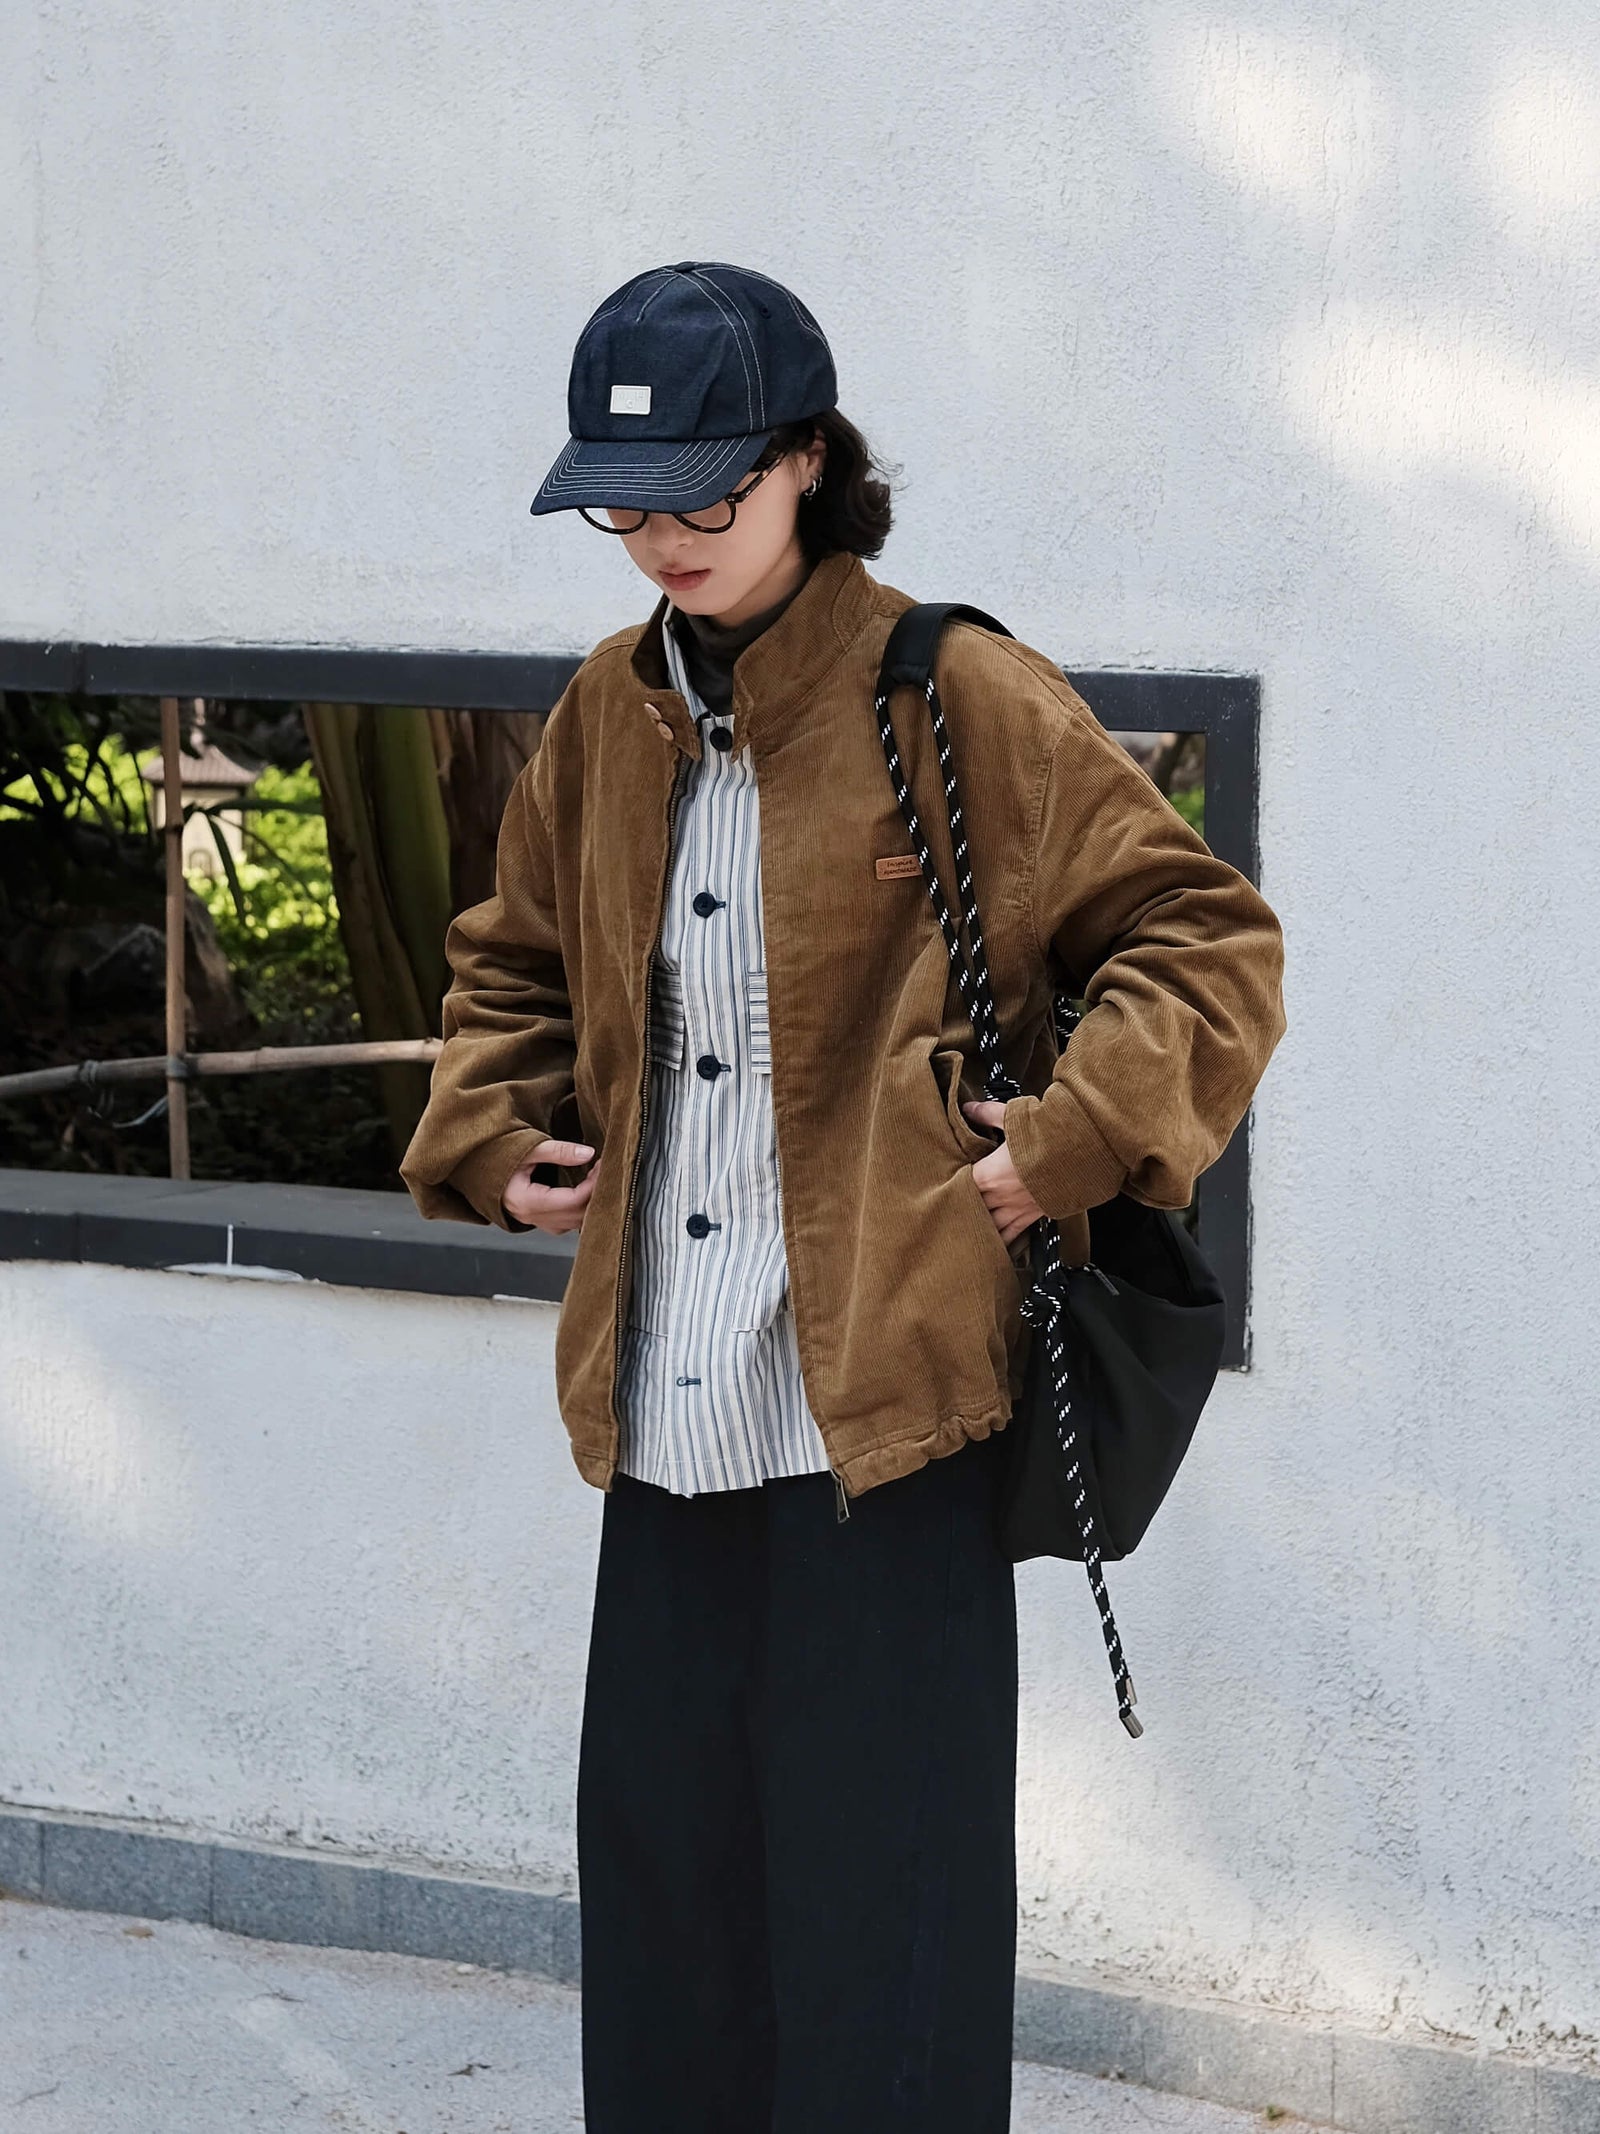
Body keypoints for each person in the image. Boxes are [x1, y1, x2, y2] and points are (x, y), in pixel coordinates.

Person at [399, 260, 1287, 2133]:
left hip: (887, 1429)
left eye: (705, 494)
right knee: (673, 1951)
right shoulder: (604, 715)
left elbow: (1205, 942)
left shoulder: (953, 693)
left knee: (886, 1956)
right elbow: (511, 958)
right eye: (625, 509)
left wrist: (1064, 1140)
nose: (664, 542)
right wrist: (485, 1124)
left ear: (810, 460)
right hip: (664, 1424)